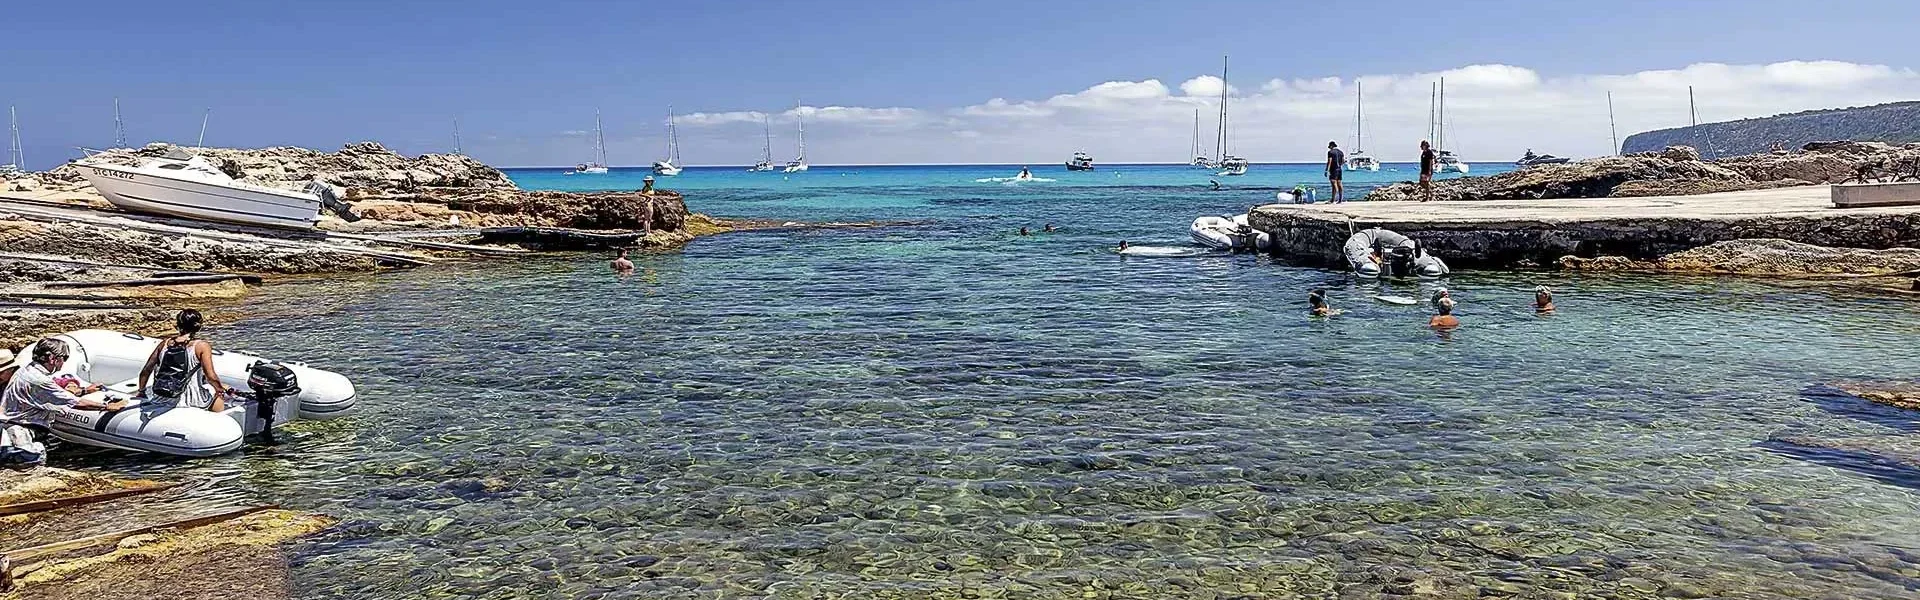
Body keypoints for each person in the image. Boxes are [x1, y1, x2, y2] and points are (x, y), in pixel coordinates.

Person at [2, 339, 123, 469]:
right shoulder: (39, 380)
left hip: (9, 427)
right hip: (19, 432)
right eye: (64, 358)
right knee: (30, 466)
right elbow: (75, 403)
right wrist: (107, 407)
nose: (64, 363)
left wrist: (85, 390)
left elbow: (50, 393)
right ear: (53, 358)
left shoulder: (26, 371)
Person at [136, 309, 230, 413]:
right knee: (221, 393)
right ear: (198, 326)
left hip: (162, 395)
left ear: (179, 325)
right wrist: (219, 389)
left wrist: (141, 391)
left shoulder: (164, 344)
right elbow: (211, 377)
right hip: (192, 399)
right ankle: (216, 418)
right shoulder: (201, 346)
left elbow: (146, 370)